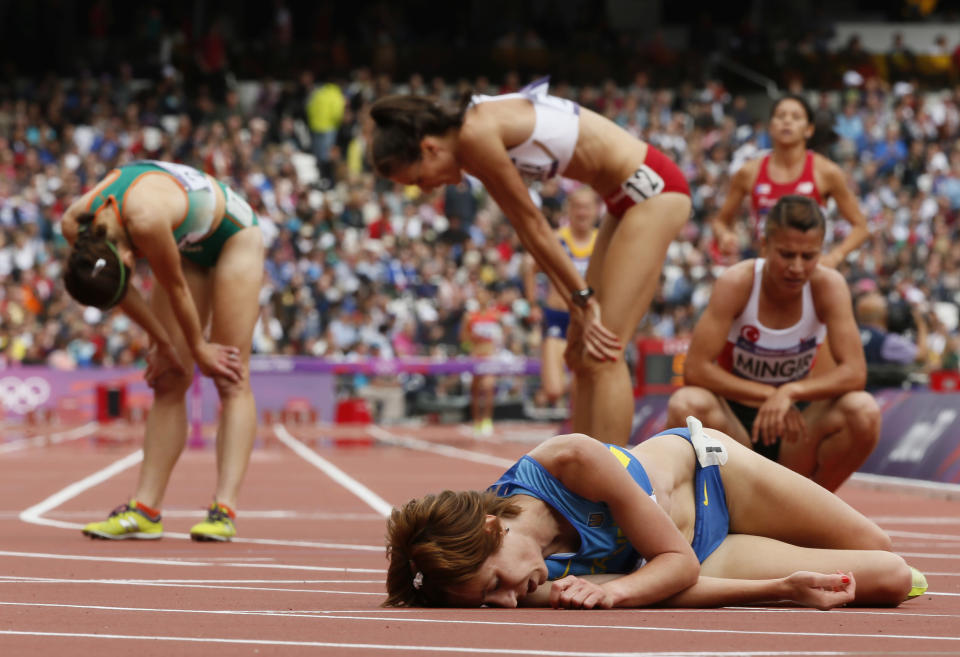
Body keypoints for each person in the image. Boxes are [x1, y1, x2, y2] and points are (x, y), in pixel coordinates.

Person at [369, 77, 692, 446]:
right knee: (582, 354)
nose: (428, 189)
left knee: (605, 352)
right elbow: (529, 235)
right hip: (625, 197)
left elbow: (535, 226)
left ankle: (615, 485)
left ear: (429, 148)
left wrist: (583, 299)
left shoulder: (476, 135)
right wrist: (577, 301)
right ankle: (580, 481)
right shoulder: (474, 132)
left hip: (653, 191)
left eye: (420, 179)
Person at [384, 416, 927, 609]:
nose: (507, 602)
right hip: (707, 554)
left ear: (489, 528)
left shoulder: (568, 461)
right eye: (488, 599)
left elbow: (669, 564)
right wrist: (784, 587)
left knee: (875, 543)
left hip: (715, 480)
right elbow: (680, 582)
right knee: (890, 577)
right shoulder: (523, 582)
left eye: (493, 585)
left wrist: (616, 591)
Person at [61, 159, 264, 542]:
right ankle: (145, 510)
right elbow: (119, 291)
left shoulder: (146, 219)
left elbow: (174, 289)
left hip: (232, 236)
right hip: (187, 243)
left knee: (229, 373)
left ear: (125, 257)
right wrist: (165, 347)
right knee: (170, 377)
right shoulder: (76, 226)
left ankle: (224, 510)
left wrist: (200, 347)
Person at [666, 196, 879, 492]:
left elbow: (855, 373)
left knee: (864, 411)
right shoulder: (737, 283)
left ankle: (812, 507)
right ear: (765, 246)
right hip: (734, 430)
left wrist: (791, 392)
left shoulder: (828, 286)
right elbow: (695, 370)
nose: (797, 267)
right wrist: (770, 394)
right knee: (685, 404)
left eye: (808, 256)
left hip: (796, 427)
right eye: (786, 254)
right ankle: (722, 502)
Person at [712, 94, 868, 269]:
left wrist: (835, 257)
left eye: (796, 117)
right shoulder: (749, 172)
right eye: (780, 116)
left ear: (809, 129)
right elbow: (720, 221)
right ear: (770, 126)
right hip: (766, 274)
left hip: (811, 275)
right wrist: (725, 236)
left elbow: (861, 226)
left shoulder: (826, 172)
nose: (787, 121)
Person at [522, 187, 600, 408]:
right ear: (569, 210)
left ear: (595, 211)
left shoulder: (601, 242)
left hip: (587, 321)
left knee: (582, 389)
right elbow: (529, 266)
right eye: (577, 207)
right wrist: (532, 304)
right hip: (557, 316)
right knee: (554, 390)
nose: (582, 213)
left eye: (586, 208)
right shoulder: (556, 239)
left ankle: (576, 430)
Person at [460, 285, 505, 436]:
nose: (482, 297)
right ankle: (476, 420)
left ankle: (487, 419)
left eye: (484, 294)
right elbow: (463, 337)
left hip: (490, 356)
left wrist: (497, 345)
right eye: (479, 295)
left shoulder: (496, 315)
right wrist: (473, 339)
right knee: (475, 389)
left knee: (488, 386)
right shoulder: (470, 317)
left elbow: (503, 332)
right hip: (475, 356)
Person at [855, 291, 929, 368]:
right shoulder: (887, 341)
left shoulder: (851, 336)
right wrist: (921, 325)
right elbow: (921, 356)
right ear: (885, 315)